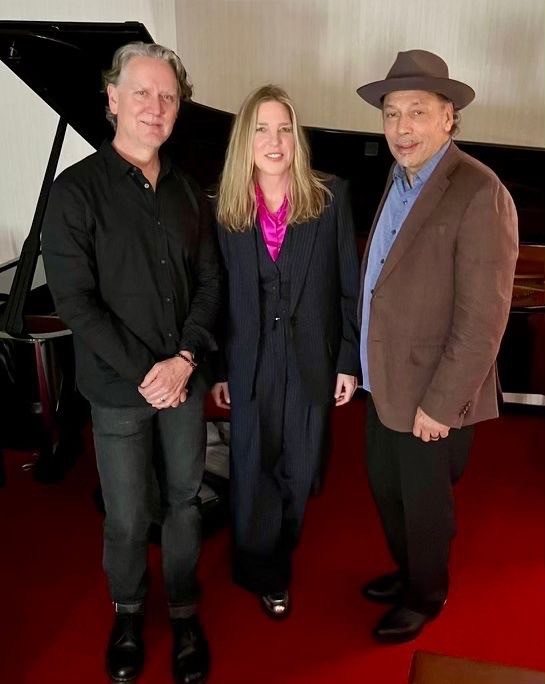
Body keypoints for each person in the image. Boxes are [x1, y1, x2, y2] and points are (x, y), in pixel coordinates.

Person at [42, 42, 220, 683]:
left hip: (184, 379)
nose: (155, 106)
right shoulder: (74, 193)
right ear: (112, 98)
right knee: (124, 514)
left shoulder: (189, 191)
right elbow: (76, 303)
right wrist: (151, 371)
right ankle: (128, 612)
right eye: (141, 92)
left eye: (167, 96)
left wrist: (185, 358)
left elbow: (210, 283)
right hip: (119, 389)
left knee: (184, 501)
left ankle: (184, 609)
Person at [355, 50, 518, 643]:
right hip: (384, 379)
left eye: (417, 112)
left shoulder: (479, 191)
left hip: (430, 390)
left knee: (424, 507)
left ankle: (426, 595)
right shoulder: (398, 177)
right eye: (392, 113)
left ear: (448, 117)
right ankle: (407, 573)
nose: (402, 128)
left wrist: (442, 404)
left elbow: (483, 320)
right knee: (388, 491)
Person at [211, 84, 360, 618]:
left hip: (310, 360)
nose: (274, 142)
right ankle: (262, 570)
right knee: (252, 466)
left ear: (297, 138)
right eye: (261, 130)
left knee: (300, 466)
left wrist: (347, 361)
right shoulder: (222, 206)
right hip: (249, 361)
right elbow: (217, 296)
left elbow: (349, 286)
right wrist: (219, 368)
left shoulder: (330, 197)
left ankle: (282, 546)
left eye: (284, 129)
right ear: (244, 140)